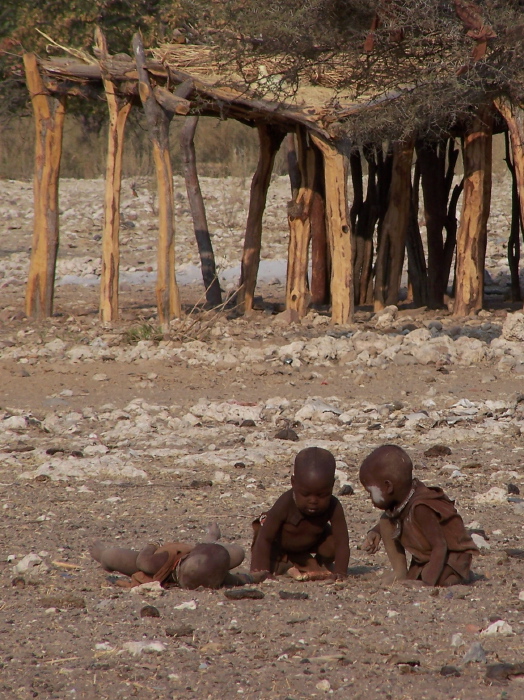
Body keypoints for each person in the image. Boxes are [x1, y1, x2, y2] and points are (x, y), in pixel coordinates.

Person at [359, 444, 478, 586]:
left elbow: (440, 546)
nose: (370, 498)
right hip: (426, 557)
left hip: (449, 557)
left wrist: (427, 583)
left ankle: (458, 577)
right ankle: (399, 572)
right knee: (385, 520)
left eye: (370, 492)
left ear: (388, 487)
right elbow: (396, 517)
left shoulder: (421, 508)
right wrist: (376, 531)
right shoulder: (404, 499)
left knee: (443, 580)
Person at [250, 446, 350, 581]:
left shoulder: (334, 505)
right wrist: (260, 571)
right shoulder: (285, 503)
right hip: (280, 546)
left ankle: (318, 565)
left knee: (331, 543)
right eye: (305, 494)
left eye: (322, 495)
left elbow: (342, 542)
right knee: (270, 557)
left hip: (309, 543)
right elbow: (265, 538)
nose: (313, 501)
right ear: (293, 483)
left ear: (332, 486)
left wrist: (341, 572)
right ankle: (286, 564)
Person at [90, 524, 263, 589]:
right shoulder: (219, 578)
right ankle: (211, 539)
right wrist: (255, 577)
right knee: (236, 552)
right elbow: (240, 579)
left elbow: (143, 562)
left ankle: (99, 553)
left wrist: (153, 545)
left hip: (166, 567)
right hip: (206, 562)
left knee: (112, 555)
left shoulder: (163, 561)